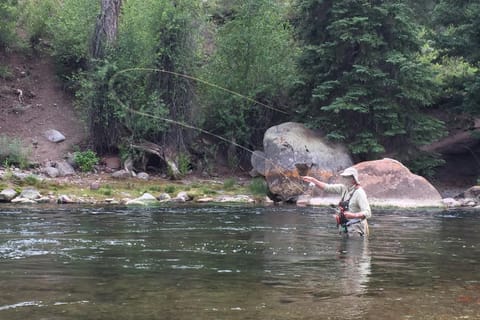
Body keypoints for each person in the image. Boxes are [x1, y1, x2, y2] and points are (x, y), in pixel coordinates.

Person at [302, 167, 371, 237]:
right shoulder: (343, 188)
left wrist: (353, 215)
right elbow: (327, 188)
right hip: (345, 229)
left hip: (356, 232)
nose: (344, 179)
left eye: (347, 177)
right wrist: (313, 180)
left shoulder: (359, 193)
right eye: (344, 177)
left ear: (353, 179)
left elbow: (368, 212)